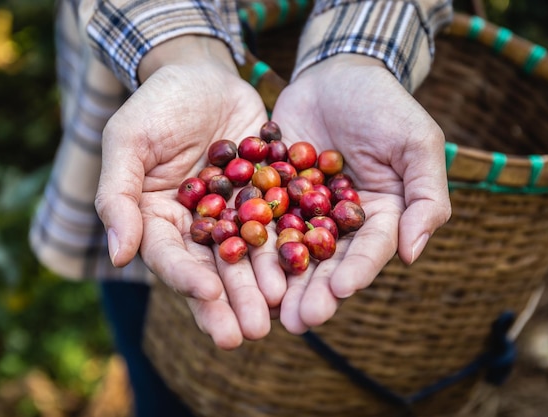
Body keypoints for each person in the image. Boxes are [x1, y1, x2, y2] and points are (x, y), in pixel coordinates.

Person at [30, 0, 453, 415]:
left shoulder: (283, 195)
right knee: (156, 358)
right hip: (146, 103)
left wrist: (357, 58)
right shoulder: (260, 196)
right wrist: (184, 51)